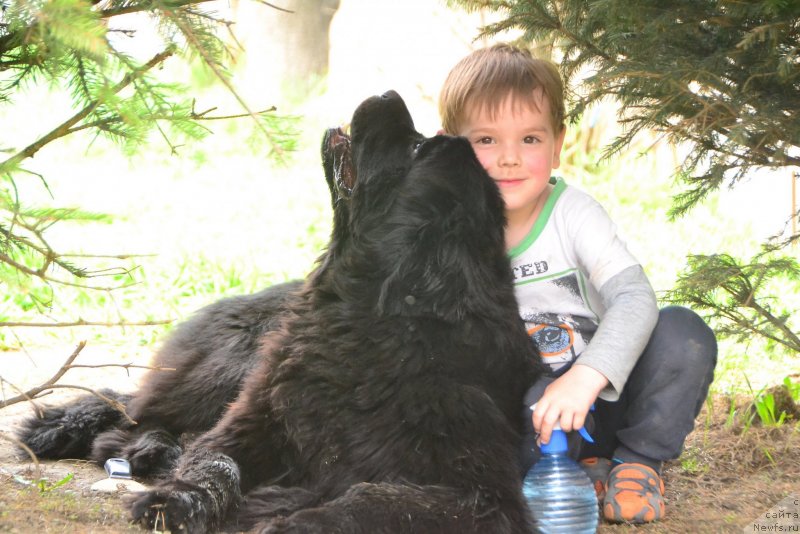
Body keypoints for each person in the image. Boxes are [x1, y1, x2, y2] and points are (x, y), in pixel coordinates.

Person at [438, 43, 718, 524]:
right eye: (486, 141)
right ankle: (577, 471)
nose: (509, 158)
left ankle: (637, 463)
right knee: (517, 405)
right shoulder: (448, 233)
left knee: (683, 334)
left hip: (606, 394)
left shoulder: (573, 213)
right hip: (535, 411)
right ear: (450, 148)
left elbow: (634, 298)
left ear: (557, 142)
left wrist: (586, 377)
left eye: (529, 139)